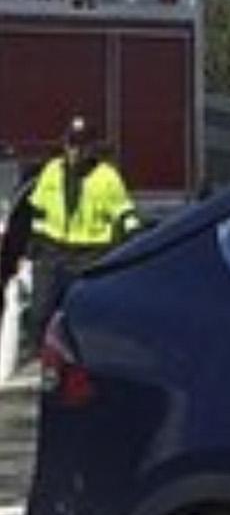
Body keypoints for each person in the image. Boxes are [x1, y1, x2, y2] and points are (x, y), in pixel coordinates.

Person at [21, 117, 141, 360]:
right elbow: (37, 210)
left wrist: (130, 245)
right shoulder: (52, 171)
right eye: (71, 144)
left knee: (83, 312)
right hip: (53, 251)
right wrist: (32, 241)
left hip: (90, 254)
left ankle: (85, 358)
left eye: (81, 146)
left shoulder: (107, 177)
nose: (75, 151)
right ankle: (37, 357)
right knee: (40, 309)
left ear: (92, 148)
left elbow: (125, 215)